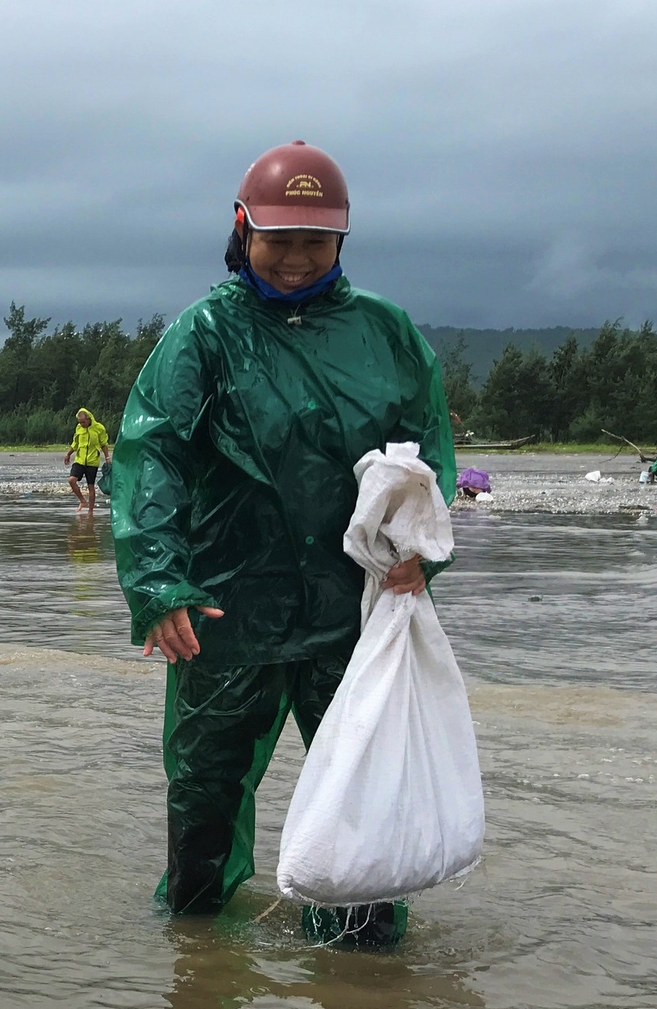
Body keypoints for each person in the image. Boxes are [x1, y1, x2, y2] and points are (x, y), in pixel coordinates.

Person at [113, 140, 456, 949]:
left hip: (356, 609)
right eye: (280, 239)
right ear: (242, 228)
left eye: (316, 241)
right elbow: (152, 453)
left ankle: (361, 961)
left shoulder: (387, 334)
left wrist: (423, 550)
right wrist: (158, 583)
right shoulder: (204, 334)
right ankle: (195, 955)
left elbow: (427, 455)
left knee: (363, 790)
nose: (298, 259)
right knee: (203, 791)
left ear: (342, 240)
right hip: (226, 608)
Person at [66, 408, 111, 511]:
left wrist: (107, 457)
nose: (82, 424)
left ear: (89, 419)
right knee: (71, 480)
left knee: (91, 486)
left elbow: (103, 444)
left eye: (83, 422)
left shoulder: (99, 428)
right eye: (80, 422)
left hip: (92, 461)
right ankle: (82, 501)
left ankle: (90, 512)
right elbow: (75, 444)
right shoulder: (78, 428)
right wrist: (68, 454)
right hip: (80, 460)